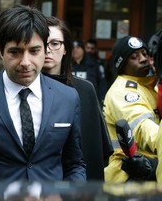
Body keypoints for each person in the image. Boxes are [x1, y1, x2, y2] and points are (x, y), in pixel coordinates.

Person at [0, 4, 86, 182]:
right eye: (15, 52)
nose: (25, 62)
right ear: (1, 51)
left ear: (45, 49)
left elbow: (75, 164)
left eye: (34, 51)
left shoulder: (67, 98)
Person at [42, 16, 113, 180]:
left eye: (54, 43)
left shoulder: (85, 89)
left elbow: (97, 150)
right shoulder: (26, 90)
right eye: (43, 43)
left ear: (65, 48)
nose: (47, 49)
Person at [103, 35, 159, 182]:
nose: (143, 59)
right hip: (128, 177)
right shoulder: (122, 91)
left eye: (145, 54)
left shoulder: (149, 87)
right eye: (134, 57)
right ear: (122, 65)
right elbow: (143, 129)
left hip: (149, 169)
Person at [71, 40, 107, 107]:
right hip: (72, 102)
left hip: (90, 102)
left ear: (83, 49)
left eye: (78, 47)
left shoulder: (93, 64)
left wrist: (101, 103)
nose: (75, 50)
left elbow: (102, 85)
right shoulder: (67, 65)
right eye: (73, 48)